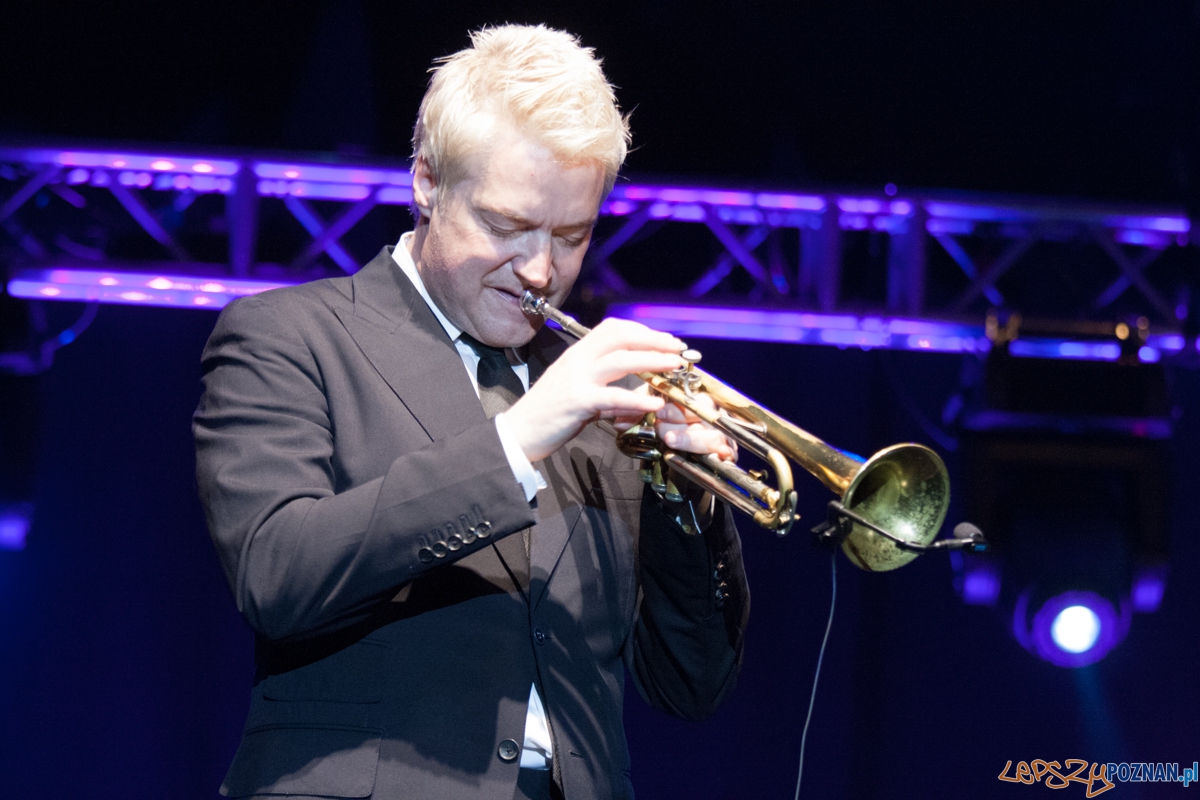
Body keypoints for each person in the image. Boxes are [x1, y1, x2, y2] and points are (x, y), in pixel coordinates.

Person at [194, 24, 749, 800]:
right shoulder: (290, 335)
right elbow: (278, 574)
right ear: (425, 181)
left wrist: (683, 499)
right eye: (507, 226)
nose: (539, 270)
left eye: (572, 235)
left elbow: (692, 685)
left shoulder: (598, 389)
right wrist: (518, 441)